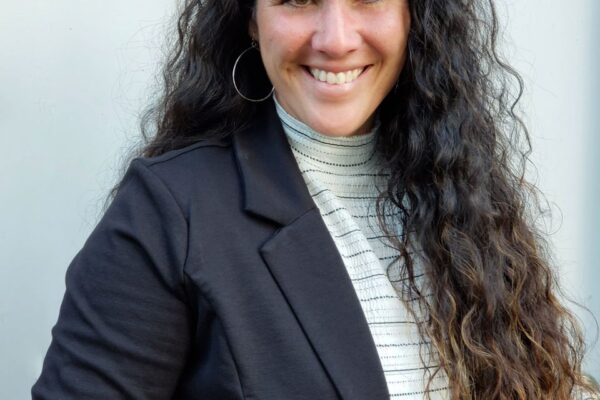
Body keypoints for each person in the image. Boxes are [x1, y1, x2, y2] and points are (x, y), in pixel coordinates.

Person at [32, 0, 598, 399]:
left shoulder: (464, 202)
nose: (335, 38)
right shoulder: (170, 211)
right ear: (250, 19)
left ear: (413, 15)